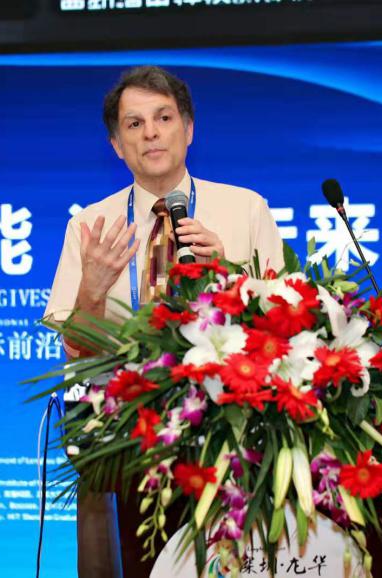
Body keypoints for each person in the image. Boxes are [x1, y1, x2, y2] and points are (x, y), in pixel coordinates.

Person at [44, 65, 286, 578]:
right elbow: (77, 352)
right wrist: (93, 288)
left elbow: (283, 330)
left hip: (231, 438)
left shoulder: (245, 209)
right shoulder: (90, 225)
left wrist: (231, 275)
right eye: (134, 124)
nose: (150, 133)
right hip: (125, 447)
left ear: (189, 129)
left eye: (163, 118)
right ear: (117, 145)